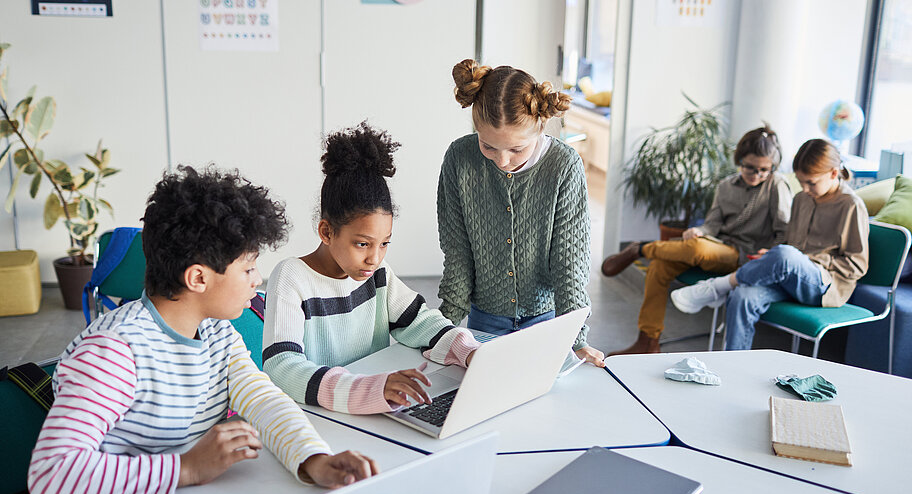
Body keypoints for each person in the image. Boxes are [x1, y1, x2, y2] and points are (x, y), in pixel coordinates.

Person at [28, 166, 377, 494]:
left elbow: (263, 400)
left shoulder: (216, 332)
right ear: (198, 278)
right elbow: (50, 474)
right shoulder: (114, 353)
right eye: (247, 268)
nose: (257, 280)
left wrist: (312, 459)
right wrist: (187, 468)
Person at [263, 122, 481, 415]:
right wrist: (367, 389)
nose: (374, 258)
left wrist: (469, 351)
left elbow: (418, 321)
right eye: (363, 244)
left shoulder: (377, 274)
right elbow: (282, 367)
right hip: (322, 417)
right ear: (326, 232)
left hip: (373, 411)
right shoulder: (291, 278)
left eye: (384, 244)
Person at [436, 59, 604, 367]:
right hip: (484, 321)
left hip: (547, 322)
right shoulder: (459, 159)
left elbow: (569, 260)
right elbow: (457, 252)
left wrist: (577, 338)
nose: (502, 161)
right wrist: (443, 328)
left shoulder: (564, 166)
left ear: (540, 127)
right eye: (488, 146)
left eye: (516, 150)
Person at [601, 125, 792, 355]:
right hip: (717, 246)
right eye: (750, 168)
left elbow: (784, 231)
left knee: (697, 248)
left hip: (747, 256)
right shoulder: (725, 186)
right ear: (739, 159)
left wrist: (769, 253)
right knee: (660, 267)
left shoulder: (776, 185)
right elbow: (712, 223)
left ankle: (640, 249)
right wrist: (699, 230)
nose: (757, 174)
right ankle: (648, 342)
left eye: (764, 169)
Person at [671, 138, 869, 351]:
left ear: (833, 173)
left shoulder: (851, 205)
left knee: (785, 255)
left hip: (824, 285)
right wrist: (772, 256)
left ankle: (718, 286)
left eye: (811, 182)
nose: (805, 188)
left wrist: (797, 259)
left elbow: (856, 265)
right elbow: (790, 242)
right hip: (790, 277)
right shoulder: (802, 198)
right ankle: (732, 366)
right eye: (801, 182)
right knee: (742, 296)